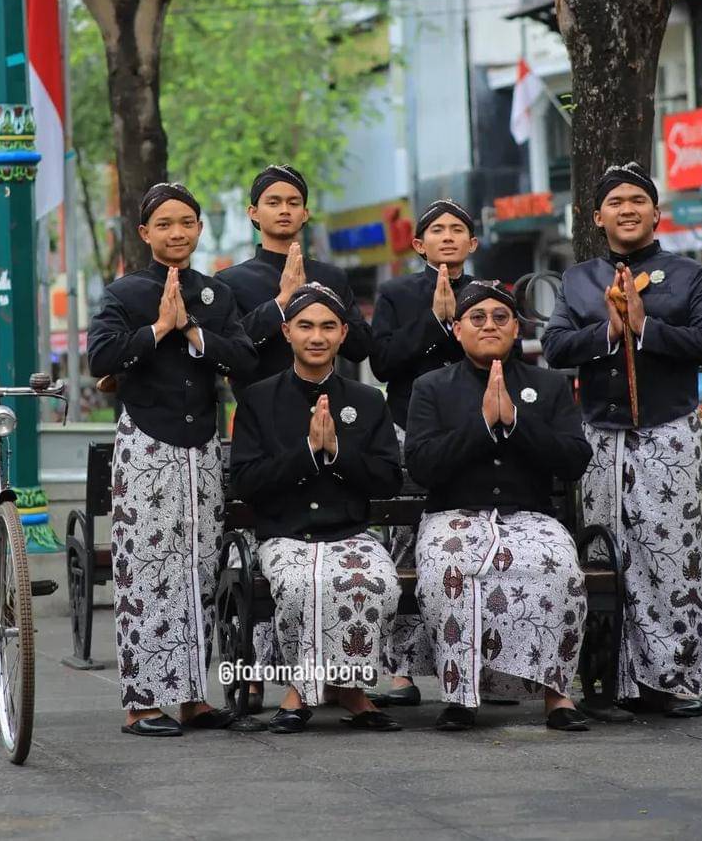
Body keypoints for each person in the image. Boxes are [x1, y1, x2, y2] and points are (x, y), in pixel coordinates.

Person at [542, 162, 702, 719]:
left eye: (637, 199)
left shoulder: (692, 276)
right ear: (597, 216)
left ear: (655, 212)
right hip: (601, 435)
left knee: (669, 556)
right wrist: (608, 332)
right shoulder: (579, 280)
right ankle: (612, 682)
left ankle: (673, 681)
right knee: (606, 556)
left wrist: (647, 328)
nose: (627, 209)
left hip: (668, 432)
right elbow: (555, 348)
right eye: (615, 201)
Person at [87, 182, 257, 737]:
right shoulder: (123, 293)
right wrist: (158, 328)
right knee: (145, 572)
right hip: (146, 446)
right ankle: (142, 702)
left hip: (202, 449)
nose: (177, 232)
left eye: (186, 222)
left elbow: (244, 359)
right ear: (145, 233)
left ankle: (191, 697)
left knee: (199, 570)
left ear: (199, 228)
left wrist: (191, 329)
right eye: (164, 224)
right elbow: (102, 357)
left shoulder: (216, 295)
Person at [405, 281, 593, 733]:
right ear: (457, 328)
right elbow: (422, 465)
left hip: (528, 516)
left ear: (516, 328)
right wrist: (481, 425)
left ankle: (556, 692)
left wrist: (515, 422)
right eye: (477, 318)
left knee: (558, 565)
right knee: (450, 565)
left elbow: (574, 460)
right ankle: (458, 696)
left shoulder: (548, 386)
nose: (489, 325)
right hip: (453, 515)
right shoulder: (431, 387)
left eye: (500, 317)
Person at [231, 282, 404, 734]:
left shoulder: (367, 400)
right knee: (304, 583)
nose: (317, 336)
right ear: (286, 331)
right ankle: (325, 692)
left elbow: (387, 478)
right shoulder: (257, 399)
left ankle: (340, 689)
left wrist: (336, 454)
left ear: (344, 334)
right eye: (305, 326)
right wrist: (307, 453)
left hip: (349, 533)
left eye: (328, 326)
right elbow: (246, 482)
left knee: (376, 582)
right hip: (286, 535)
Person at [368, 198, 478, 707]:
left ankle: (484, 667)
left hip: (476, 433)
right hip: (410, 430)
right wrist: (436, 323)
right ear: (419, 244)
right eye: (438, 230)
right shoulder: (395, 293)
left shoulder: (486, 295)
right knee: (405, 545)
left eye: (459, 230)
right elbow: (385, 363)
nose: (449, 237)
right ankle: (401, 670)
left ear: (472, 244)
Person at [216, 164, 372, 399]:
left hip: (325, 406)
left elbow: (360, 347)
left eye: (293, 203)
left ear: (305, 214)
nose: (284, 210)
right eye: (273, 202)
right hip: (260, 413)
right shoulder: (231, 281)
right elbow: (227, 353)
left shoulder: (331, 276)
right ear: (253, 212)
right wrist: (281, 302)